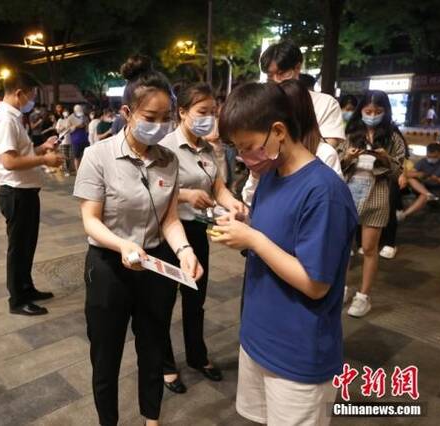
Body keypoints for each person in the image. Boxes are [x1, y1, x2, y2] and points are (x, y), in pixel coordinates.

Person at [213, 82, 357, 426]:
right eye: (238, 149)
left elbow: (315, 283)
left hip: (298, 354)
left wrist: (253, 239)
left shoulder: (324, 193)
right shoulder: (271, 176)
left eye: (248, 147)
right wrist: (247, 224)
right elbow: (274, 237)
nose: (245, 158)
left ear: (278, 131)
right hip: (258, 337)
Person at [73, 55, 203, 426]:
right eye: (151, 118)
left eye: (166, 118)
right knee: (106, 354)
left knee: (152, 347)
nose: (160, 127)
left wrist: (185, 250)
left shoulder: (168, 160)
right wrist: (122, 245)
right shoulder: (98, 156)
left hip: (154, 264)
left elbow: (170, 217)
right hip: (110, 266)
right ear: (128, 112)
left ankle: (152, 417)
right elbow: (90, 220)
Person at [159, 82, 249, 394]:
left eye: (213, 112)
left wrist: (232, 202)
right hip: (168, 236)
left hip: (197, 232)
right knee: (164, 302)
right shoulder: (164, 148)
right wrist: (184, 195)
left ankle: (197, 356)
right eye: (202, 112)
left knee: (195, 301)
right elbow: (152, 189)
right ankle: (166, 365)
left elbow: (218, 187)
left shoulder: (210, 150)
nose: (209, 118)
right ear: (182, 112)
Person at [0, 72, 64, 316]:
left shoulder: (12, 118)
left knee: (27, 245)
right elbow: (9, 161)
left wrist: (41, 148)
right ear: (19, 93)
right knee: (18, 248)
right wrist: (45, 159)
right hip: (16, 193)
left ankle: (26, 288)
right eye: (30, 94)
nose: (31, 99)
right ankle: (17, 299)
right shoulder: (5, 120)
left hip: (25, 192)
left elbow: (19, 153)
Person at [340, 90, 405, 316]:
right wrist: (348, 157)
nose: (372, 115)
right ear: (361, 111)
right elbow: (337, 163)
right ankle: (341, 288)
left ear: (385, 112)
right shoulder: (351, 132)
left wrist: (385, 158)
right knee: (343, 248)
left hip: (376, 195)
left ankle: (364, 296)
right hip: (348, 195)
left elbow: (398, 171)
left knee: (369, 248)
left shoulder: (393, 137)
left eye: (378, 111)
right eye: (368, 111)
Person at [242, 79, 343, 207]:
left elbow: (330, 204)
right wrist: (255, 175)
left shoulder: (324, 154)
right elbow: (250, 200)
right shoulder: (272, 151)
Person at [260, 41, 345, 149]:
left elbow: (327, 151)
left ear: (297, 68)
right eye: (270, 75)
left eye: (281, 73)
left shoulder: (326, 104)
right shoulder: (262, 103)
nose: (276, 80)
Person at [69, 104, 90, 171]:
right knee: (76, 157)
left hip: (85, 139)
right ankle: (77, 171)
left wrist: (85, 125)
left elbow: (87, 128)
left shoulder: (85, 117)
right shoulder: (70, 118)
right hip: (76, 140)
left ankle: (84, 170)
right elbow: (69, 129)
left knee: (85, 156)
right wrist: (77, 126)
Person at [55, 108, 73, 176]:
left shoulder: (70, 120)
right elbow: (57, 131)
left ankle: (67, 168)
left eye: (67, 112)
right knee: (64, 156)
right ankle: (66, 170)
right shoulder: (60, 120)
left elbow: (72, 129)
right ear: (62, 113)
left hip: (70, 140)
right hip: (63, 140)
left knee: (69, 156)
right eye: (65, 112)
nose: (66, 113)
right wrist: (62, 128)